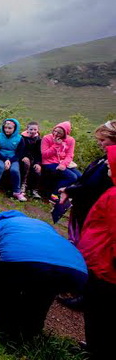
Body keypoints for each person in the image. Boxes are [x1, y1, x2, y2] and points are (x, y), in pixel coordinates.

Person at [0, 210, 87, 340]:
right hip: (75, 268)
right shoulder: (41, 224)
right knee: (43, 292)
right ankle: (31, 332)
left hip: (26, 262)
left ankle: (7, 329)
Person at [76, 144, 116, 360]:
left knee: (100, 313)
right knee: (95, 311)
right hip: (101, 263)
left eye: (111, 161)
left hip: (107, 271)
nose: (108, 163)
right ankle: (93, 346)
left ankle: (98, 351)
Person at [62, 120, 116, 242]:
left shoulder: (111, 164)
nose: (99, 143)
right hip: (87, 206)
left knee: (85, 238)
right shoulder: (105, 159)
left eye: (103, 140)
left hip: (90, 208)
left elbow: (91, 184)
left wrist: (69, 190)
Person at [0, 118, 27, 201]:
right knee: (0, 167)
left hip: (13, 158)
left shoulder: (20, 138)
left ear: (15, 129)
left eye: (10, 128)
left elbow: (19, 153)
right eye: (5, 128)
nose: (7, 130)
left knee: (15, 170)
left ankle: (16, 191)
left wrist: (10, 160)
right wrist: (5, 160)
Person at [41, 121, 82, 200]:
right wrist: (56, 145)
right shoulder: (47, 138)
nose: (56, 134)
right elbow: (45, 154)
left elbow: (70, 155)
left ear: (65, 133)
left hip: (63, 163)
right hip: (49, 162)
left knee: (80, 176)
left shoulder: (70, 140)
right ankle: (54, 194)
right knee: (72, 177)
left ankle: (68, 194)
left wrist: (64, 164)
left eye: (59, 133)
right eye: (55, 131)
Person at [20, 121, 43, 199]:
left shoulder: (38, 139)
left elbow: (38, 153)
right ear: (27, 129)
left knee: (37, 170)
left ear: (37, 130)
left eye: (35, 129)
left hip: (33, 159)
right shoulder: (22, 137)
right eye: (31, 129)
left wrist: (38, 163)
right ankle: (23, 185)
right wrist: (23, 156)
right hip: (23, 158)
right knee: (25, 166)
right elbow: (20, 149)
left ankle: (34, 190)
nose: (33, 131)